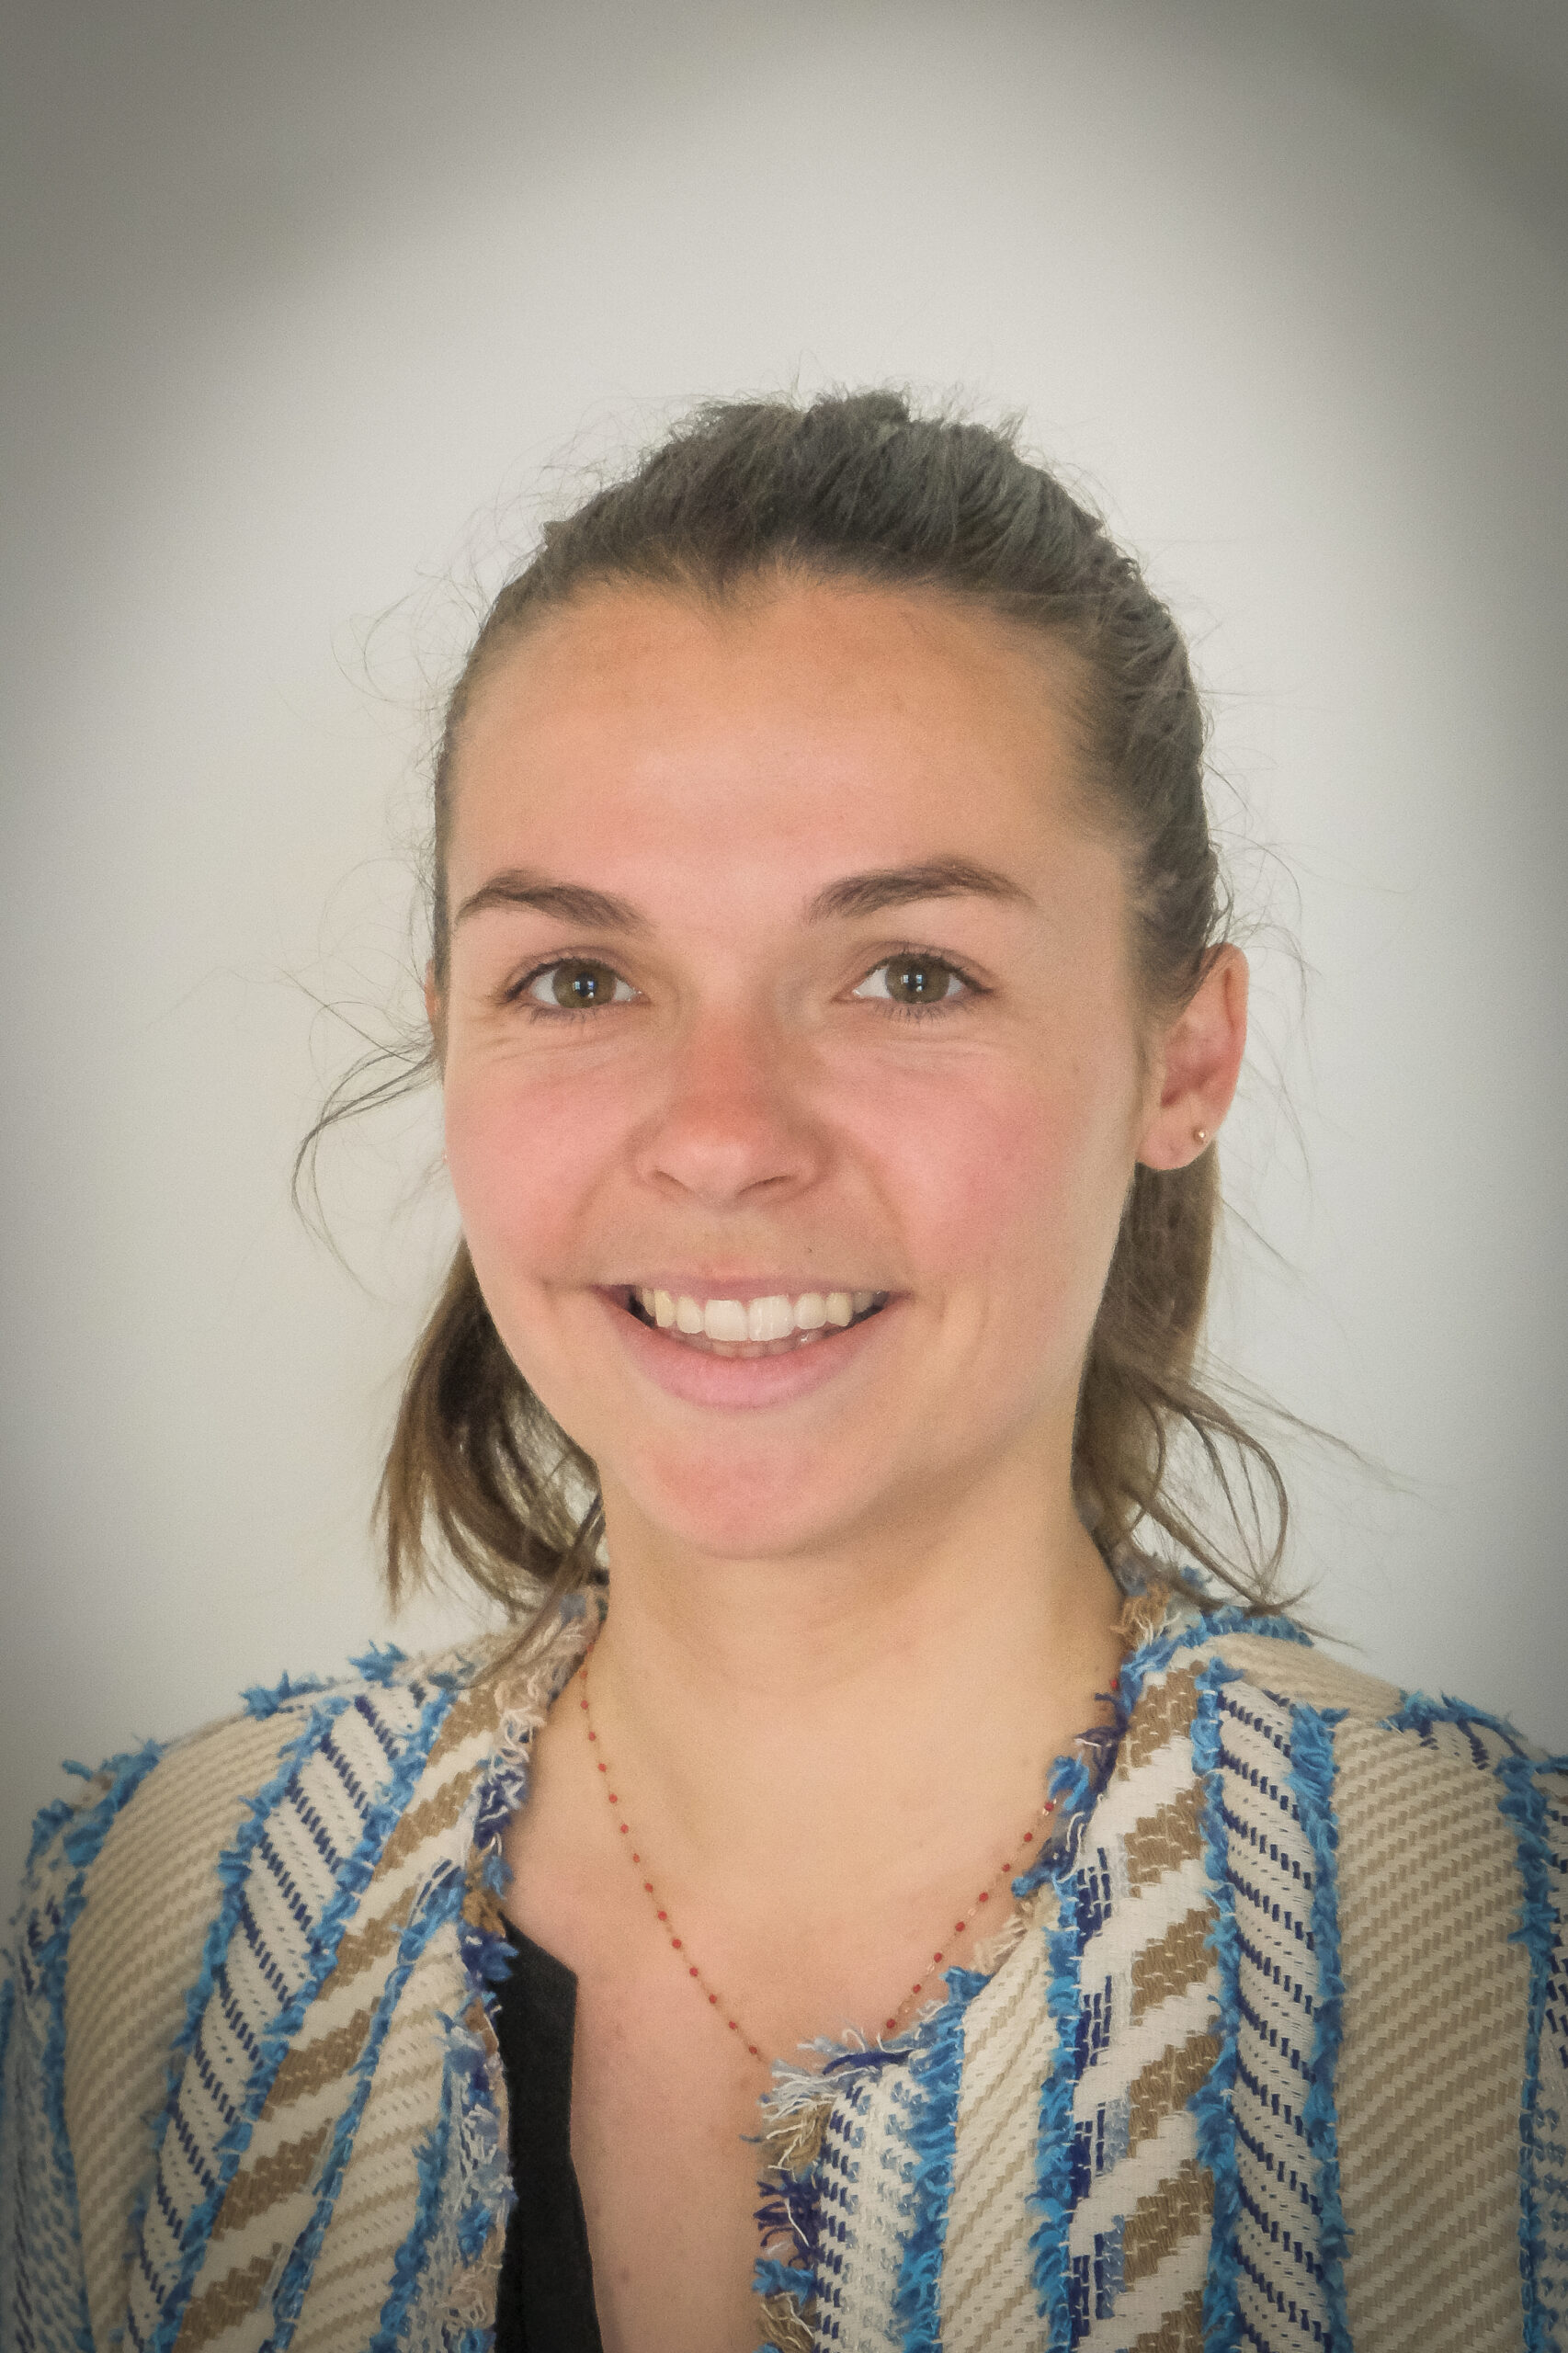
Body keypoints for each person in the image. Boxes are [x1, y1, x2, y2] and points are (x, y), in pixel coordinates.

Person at [2, 391, 1562, 2353]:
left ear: (1183, 1056)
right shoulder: (145, 1933)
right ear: (451, 1036)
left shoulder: (1508, 1972)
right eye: (578, 979)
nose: (723, 1136)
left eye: (909, 974)